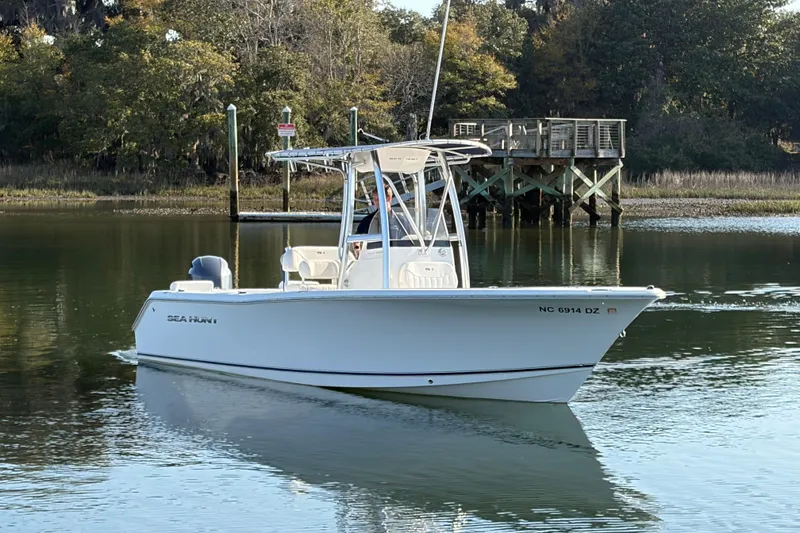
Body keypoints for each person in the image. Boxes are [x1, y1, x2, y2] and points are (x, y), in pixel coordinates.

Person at [352, 182, 410, 257]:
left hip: (395, 257)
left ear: (388, 198)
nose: (376, 202)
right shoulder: (367, 221)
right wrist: (357, 248)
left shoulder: (401, 221)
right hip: (373, 258)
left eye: (379, 198)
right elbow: (357, 240)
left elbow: (408, 243)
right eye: (374, 199)